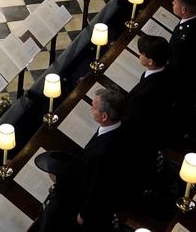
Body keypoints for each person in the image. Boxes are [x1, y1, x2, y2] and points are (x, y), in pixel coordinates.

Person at [33, 88, 132, 232]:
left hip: (83, 202)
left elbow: (97, 185)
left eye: (94, 108)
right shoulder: (115, 129)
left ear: (104, 117)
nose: (91, 109)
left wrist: (83, 213)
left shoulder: (104, 151)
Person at [122, 36, 175, 152]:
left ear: (150, 61)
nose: (139, 55)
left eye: (141, 53)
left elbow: (134, 119)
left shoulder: (144, 93)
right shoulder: (166, 72)